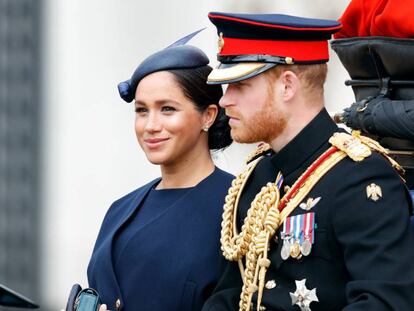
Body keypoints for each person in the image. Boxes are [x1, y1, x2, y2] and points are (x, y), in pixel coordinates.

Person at [201, 12, 414, 311]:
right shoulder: (258, 175)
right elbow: (230, 296)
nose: (225, 101)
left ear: (287, 86)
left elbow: (384, 303)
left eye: (240, 86)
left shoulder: (361, 178)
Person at [86, 36, 234, 311]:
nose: (151, 125)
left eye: (167, 109)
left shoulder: (235, 206)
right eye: (142, 111)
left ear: (208, 116)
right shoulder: (120, 210)